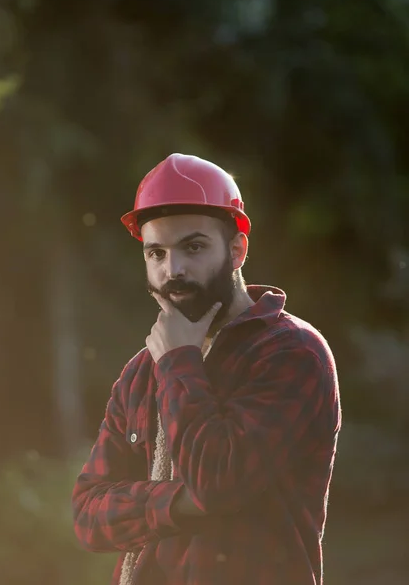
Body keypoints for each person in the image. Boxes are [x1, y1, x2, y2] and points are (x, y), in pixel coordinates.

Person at [72, 153, 342, 585]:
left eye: (193, 247)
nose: (172, 269)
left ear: (237, 249)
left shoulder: (292, 353)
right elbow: (87, 514)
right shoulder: (144, 369)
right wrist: (181, 503)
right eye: (156, 252)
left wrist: (180, 362)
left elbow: (217, 479)